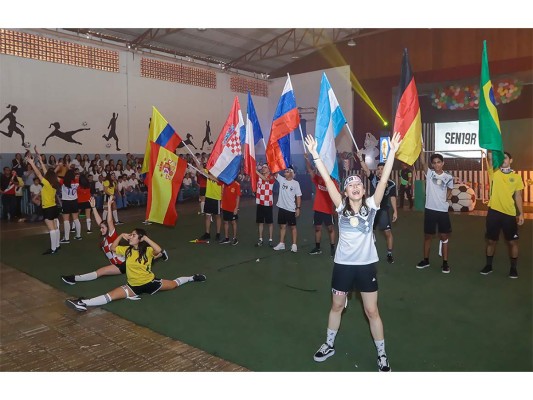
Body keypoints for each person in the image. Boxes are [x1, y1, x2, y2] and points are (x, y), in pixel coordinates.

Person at [304, 132, 402, 372]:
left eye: (358, 184)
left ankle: (382, 355)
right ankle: (329, 344)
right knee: (337, 306)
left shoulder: (371, 206)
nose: (355, 187)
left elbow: (384, 179)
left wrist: (392, 153)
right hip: (343, 267)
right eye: (351, 185)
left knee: (371, 310)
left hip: (366, 266)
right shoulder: (340, 207)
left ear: (363, 190)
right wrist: (315, 155)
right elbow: (328, 182)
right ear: (346, 192)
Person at [65, 228, 205, 312]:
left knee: (173, 284)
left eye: (133, 235)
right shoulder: (127, 250)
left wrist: (146, 238)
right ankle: (83, 303)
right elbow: (113, 248)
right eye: (130, 234)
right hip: (133, 287)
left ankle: (191, 278)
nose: (130, 236)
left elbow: (158, 250)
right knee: (110, 296)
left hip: (151, 283)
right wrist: (121, 235)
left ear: (140, 238)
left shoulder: (148, 251)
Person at [480, 151, 524, 278]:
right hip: (493, 213)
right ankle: (488, 266)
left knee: (512, 242)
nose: (503, 160)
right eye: (501, 158)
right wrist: (491, 146)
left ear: (511, 160)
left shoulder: (517, 177)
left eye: (505, 158)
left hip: (509, 214)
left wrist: (521, 213)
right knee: (491, 241)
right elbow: (489, 157)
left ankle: (513, 268)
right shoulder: (494, 172)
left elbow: (518, 196)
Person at [416, 151, 454, 273]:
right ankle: (426, 260)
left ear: (442, 163)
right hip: (430, 210)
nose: (436, 164)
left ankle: (445, 263)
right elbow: (423, 162)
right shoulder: (430, 174)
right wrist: (421, 150)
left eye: (438, 162)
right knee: (428, 236)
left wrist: (445, 199)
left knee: (444, 237)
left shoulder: (448, 177)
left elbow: (450, 189)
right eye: (434, 163)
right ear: (432, 165)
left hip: (442, 211)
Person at [359, 157, 398, 264]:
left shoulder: (391, 184)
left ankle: (389, 254)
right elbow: (366, 169)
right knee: (367, 232)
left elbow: (393, 198)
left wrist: (395, 211)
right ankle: (368, 252)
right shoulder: (374, 179)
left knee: (388, 233)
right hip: (372, 210)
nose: (380, 171)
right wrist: (360, 159)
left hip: (383, 211)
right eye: (379, 169)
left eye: (382, 169)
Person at [25, 150, 61, 254]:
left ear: (48, 177)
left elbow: (38, 173)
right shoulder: (54, 183)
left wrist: (32, 163)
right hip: (54, 208)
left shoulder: (47, 184)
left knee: (52, 229)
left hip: (48, 208)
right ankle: (57, 245)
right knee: (55, 227)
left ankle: (53, 249)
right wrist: (41, 161)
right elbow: (46, 173)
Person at [304, 153, 337, 257]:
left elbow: (337, 197)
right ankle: (317, 248)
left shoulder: (333, 182)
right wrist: (306, 159)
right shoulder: (318, 179)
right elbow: (310, 170)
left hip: (328, 210)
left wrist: (335, 209)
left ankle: (333, 248)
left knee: (330, 229)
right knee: (317, 228)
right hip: (318, 209)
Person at [272, 166, 302, 253]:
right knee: (282, 226)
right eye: (285, 171)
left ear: (292, 173)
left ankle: (294, 245)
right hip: (282, 207)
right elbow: (274, 172)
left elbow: (298, 196)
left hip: (291, 209)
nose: (285, 172)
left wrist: (298, 208)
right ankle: (282, 243)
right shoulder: (281, 179)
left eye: (288, 171)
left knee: (293, 227)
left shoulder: (295, 183)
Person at [195, 160, 222, 243]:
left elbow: (217, 180)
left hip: (216, 197)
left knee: (217, 216)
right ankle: (207, 233)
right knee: (207, 216)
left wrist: (206, 174)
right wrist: (195, 159)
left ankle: (218, 234)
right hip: (208, 196)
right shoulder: (208, 171)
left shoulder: (219, 173)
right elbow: (200, 168)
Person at [255, 163, 276, 247]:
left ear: (269, 169)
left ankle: (270, 240)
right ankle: (260, 239)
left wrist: (255, 171)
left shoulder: (272, 177)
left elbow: (266, 179)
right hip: (260, 202)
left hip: (268, 203)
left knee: (269, 222)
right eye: (263, 167)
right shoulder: (259, 177)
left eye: (265, 167)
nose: (263, 168)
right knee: (260, 222)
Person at [58, 169, 81, 243]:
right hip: (74, 201)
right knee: (76, 219)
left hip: (66, 202)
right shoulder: (77, 181)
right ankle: (78, 235)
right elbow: (76, 176)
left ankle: (66, 238)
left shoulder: (63, 182)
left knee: (66, 220)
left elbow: (55, 177)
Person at [219, 180, 241, 245]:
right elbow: (216, 180)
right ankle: (226, 238)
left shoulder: (237, 184)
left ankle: (235, 238)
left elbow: (238, 196)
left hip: (232, 207)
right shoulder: (225, 182)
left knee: (233, 222)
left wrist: (236, 208)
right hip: (225, 206)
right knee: (225, 222)